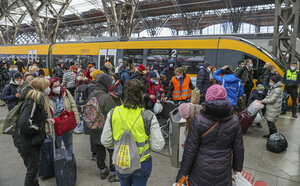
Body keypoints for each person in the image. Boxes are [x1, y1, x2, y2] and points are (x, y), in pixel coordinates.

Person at [176, 84, 244, 185]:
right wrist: (237, 169)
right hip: (223, 168)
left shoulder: (198, 120)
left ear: (207, 99)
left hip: (200, 170)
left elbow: (190, 150)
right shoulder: (234, 120)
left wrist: (183, 173)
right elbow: (238, 148)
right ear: (225, 98)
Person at [101, 79, 165, 186]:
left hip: (121, 161)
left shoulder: (113, 113)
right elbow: (158, 146)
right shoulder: (148, 116)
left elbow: (105, 141)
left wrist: (117, 146)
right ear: (142, 96)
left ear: (124, 94)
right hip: (142, 162)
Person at [13, 77, 52, 186]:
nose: (48, 89)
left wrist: (44, 119)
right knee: (32, 171)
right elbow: (24, 123)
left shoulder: (35, 99)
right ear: (41, 88)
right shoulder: (32, 101)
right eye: (46, 87)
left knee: (34, 169)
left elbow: (34, 116)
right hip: (27, 142)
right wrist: (38, 129)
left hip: (30, 141)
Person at [88, 73, 119, 182]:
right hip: (106, 129)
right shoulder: (106, 97)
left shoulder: (91, 94)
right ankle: (112, 173)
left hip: (94, 129)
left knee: (99, 151)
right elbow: (114, 115)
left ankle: (102, 170)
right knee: (112, 151)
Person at [48, 77, 80, 151]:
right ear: (50, 88)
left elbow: (73, 105)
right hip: (56, 125)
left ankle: (70, 160)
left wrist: (77, 120)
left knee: (69, 144)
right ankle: (60, 161)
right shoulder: (47, 97)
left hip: (67, 122)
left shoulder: (65, 92)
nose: (58, 88)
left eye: (59, 85)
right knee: (57, 145)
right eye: (55, 86)